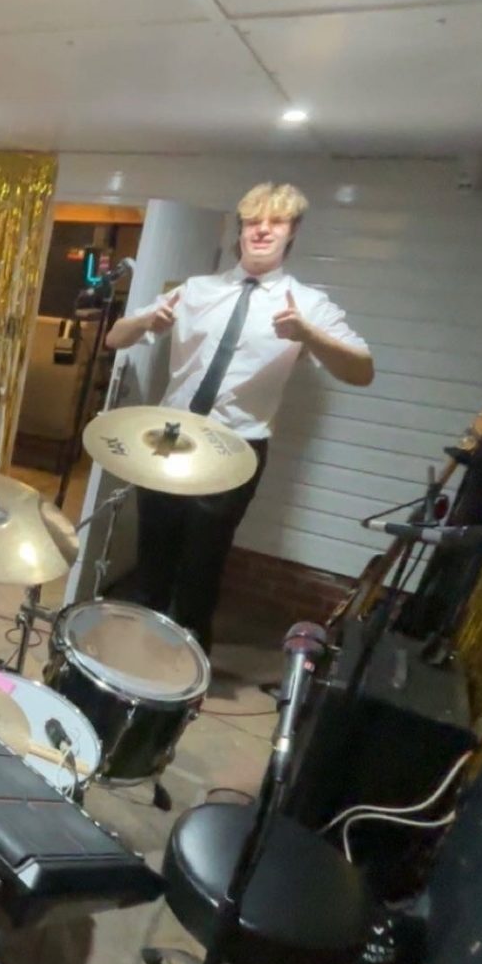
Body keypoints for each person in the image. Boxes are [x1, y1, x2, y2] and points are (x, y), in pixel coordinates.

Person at [104, 182, 374, 654]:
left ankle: (186, 660)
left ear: (292, 232)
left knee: (203, 563)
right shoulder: (196, 290)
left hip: (236, 445)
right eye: (253, 221)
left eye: (276, 221)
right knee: (153, 551)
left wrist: (308, 334)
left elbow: (362, 371)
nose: (262, 230)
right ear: (241, 228)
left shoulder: (306, 304)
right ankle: (138, 651)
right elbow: (115, 338)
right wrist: (146, 321)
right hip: (169, 438)